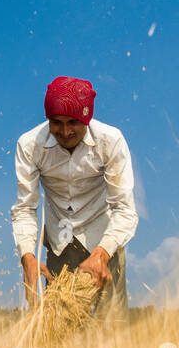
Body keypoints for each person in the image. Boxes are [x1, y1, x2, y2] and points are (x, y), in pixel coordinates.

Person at [10, 76, 139, 312]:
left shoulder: (110, 141)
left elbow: (124, 209)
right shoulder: (29, 145)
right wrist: (27, 256)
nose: (65, 131)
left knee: (111, 329)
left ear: (87, 119)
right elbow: (25, 208)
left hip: (105, 240)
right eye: (56, 122)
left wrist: (102, 254)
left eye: (73, 122)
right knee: (59, 331)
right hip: (60, 241)